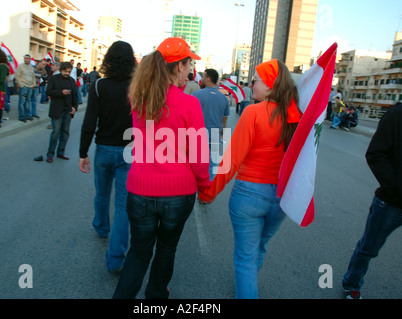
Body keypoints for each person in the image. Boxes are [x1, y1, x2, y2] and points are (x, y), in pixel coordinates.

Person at [112, 37, 210, 299]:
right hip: (178, 194)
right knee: (167, 249)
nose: (190, 70)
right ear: (179, 66)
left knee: (139, 251)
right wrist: (205, 186)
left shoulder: (139, 98)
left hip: (140, 189)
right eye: (189, 64)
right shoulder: (190, 104)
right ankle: (156, 296)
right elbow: (199, 155)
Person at [198, 59, 302, 299]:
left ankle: (247, 288)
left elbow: (232, 161)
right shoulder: (295, 115)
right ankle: (247, 285)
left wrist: (208, 192)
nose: (251, 84)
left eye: (256, 79)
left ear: (270, 85)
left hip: (249, 196)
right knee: (260, 247)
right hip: (281, 199)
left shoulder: (254, 111)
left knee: (245, 258)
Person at [79, 41, 137, 273]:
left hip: (103, 149)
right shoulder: (137, 87)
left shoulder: (99, 85)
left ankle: (102, 227)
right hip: (129, 151)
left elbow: (89, 122)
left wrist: (83, 152)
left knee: (102, 194)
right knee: (123, 205)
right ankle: (116, 259)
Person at [342, 102, 402, 299]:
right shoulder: (395, 115)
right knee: (368, 248)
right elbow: (375, 154)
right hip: (392, 201)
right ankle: (352, 284)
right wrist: (396, 186)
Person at [192, 68, 230, 181]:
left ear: (208, 79)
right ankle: (207, 194)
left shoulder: (196, 95)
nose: (202, 79)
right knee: (212, 166)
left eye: (203, 77)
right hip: (215, 136)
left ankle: (195, 191)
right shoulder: (224, 98)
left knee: (196, 165)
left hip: (198, 135)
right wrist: (221, 134)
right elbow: (224, 120)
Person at [44, 62, 78, 163]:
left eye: (69, 71)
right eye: (65, 71)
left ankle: (61, 152)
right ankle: (50, 154)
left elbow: (75, 96)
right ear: (61, 70)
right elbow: (48, 91)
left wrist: (74, 108)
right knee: (55, 133)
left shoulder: (72, 81)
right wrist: (61, 92)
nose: (67, 73)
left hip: (68, 111)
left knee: (65, 133)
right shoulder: (53, 79)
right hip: (57, 110)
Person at [15, 54, 36, 122]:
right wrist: (21, 85)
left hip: (30, 87)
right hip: (23, 87)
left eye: (27, 58)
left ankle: (27, 115)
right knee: (22, 102)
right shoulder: (20, 66)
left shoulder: (31, 68)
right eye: (25, 58)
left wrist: (34, 84)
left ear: (30, 59)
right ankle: (21, 116)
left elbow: (33, 77)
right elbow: (17, 76)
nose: (25, 59)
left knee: (28, 102)